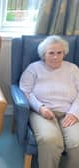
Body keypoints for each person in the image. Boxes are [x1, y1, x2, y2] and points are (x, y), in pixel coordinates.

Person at [19, 35, 79, 168]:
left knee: (77, 143)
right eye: (51, 53)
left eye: (59, 53)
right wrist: (40, 107)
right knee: (50, 141)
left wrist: (75, 113)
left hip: (69, 112)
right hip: (42, 112)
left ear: (65, 53)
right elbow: (25, 91)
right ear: (43, 54)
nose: (55, 57)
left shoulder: (73, 69)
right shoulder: (33, 68)